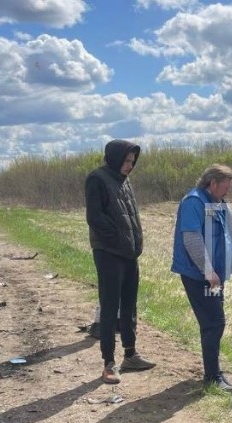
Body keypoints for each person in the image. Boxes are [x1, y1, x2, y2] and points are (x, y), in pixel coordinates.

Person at [85, 140, 155, 384]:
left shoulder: (125, 181)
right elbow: (95, 218)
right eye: (126, 161)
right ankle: (108, 363)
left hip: (129, 254)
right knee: (110, 306)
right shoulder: (97, 179)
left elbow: (130, 215)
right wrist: (120, 239)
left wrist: (133, 243)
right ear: (114, 158)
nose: (130, 166)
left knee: (129, 305)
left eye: (132, 162)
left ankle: (130, 354)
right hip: (109, 254)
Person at [171, 164, 232, 390]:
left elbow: (227, 236)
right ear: (212, 183)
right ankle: (212, 376)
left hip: (214, 275)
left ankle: (213, 369)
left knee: (213, 323)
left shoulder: (217, 202)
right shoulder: (194, 202)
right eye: (225, 188)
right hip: (198, 275)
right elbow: (192, 239)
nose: (227, 192)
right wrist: (208, 272)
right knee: (214, 323)